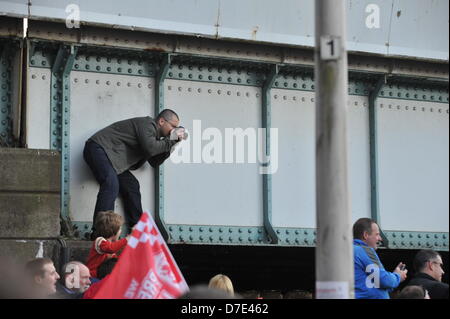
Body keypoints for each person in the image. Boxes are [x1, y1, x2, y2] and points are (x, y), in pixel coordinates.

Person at [83, 109, 185, 236]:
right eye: (173, 126)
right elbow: (151, 149)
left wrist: (173, 145)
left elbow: (155, 161)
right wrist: (171, 141)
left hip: (114, 160)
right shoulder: (147, 125)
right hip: (98, 148)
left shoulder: (155, 138)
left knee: (132, 186)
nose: (173, 130)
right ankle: (101, 233)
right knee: (111, 184)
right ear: (162, 121)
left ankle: (137, 231)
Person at [353, 218, 408, 299]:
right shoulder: (364, 250)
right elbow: (384, 280)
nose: (380, 238)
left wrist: (394, 276)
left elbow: (374, 283)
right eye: (377, 234)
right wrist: (398, 276)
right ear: (366, 235)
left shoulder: (350, 251)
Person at [86, 211, 129, 278]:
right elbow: (111, 248)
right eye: (120, 229)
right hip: (92, 276)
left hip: (101, 275)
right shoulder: (100, 241)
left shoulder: (111, 244)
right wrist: (127, 239)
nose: (121, 231)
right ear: (113, 230)